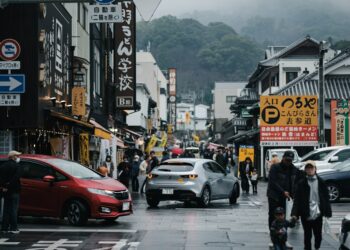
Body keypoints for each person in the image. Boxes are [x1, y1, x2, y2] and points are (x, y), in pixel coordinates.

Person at [291, 160, 332, 250]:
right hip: (306, 212)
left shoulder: (321, 182)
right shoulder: (301, 183)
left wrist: (328, 212)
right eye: (307, 168)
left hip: (318, 212)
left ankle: (317, 246)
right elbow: (297, 200)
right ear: (305, 170)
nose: (309, 170)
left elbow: (326, 198)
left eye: (311, 168)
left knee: (318, 235)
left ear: (315, 169)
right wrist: (294, 214)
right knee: (307, 235)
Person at [267, 150, 303, 228]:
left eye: (290, 160)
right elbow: (272, 182)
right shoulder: (275, 167)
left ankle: (283, 231)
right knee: (273, 214)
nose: (288, 162)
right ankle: (272, 230)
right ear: (283, 158)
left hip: (286, 197)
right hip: (274, 196)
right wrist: (283, 191)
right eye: (287, 160)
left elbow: (299, 180)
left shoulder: (294, 169)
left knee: (284, 215)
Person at [0, 151, 22, 233]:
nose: (18, 157)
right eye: (17, 156)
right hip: (14, 190)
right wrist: (9, 185)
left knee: (6, 209)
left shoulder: (3, 166)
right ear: (13, 157)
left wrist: (5, 186)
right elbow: (16, 178)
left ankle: (4, 228)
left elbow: (1, 179)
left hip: (5, 191)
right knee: (13, 209)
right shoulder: (17, 166)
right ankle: (13, 227)